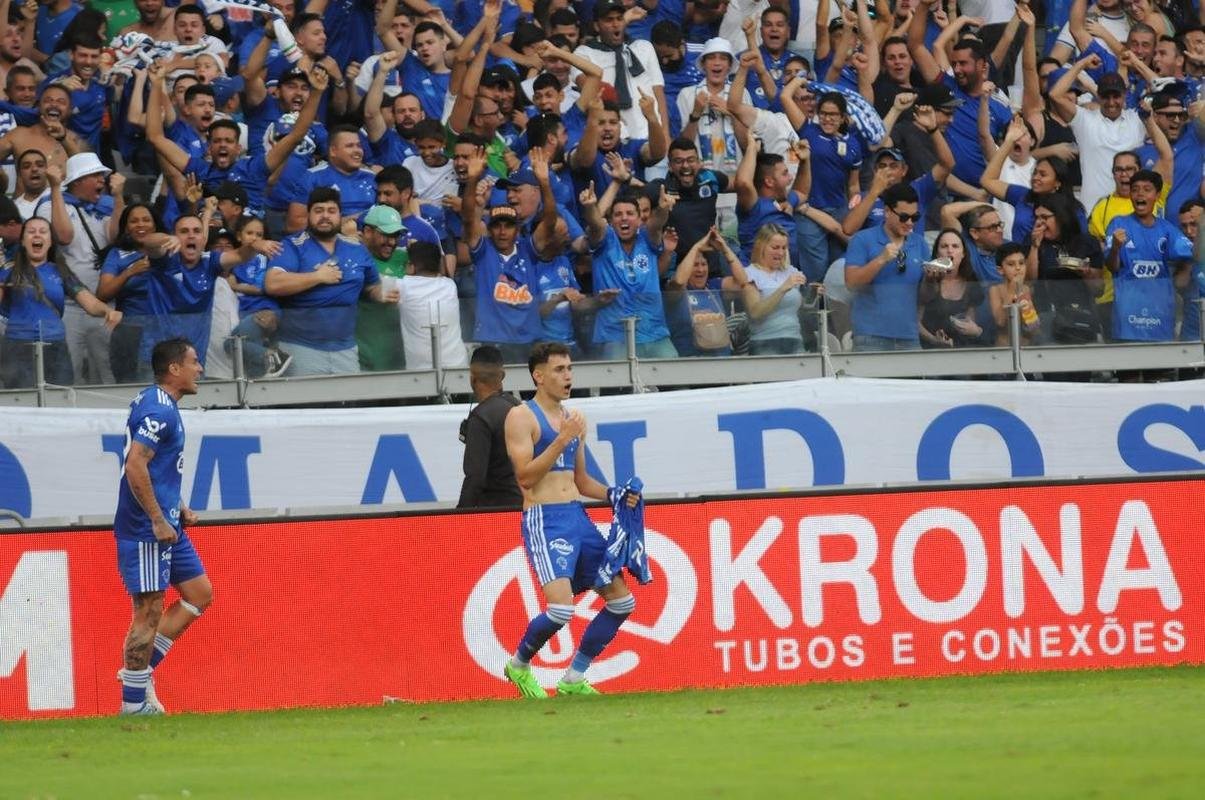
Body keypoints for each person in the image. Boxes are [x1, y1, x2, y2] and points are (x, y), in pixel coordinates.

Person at [502, 341, 641, 698]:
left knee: (622, 601)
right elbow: (526, 478)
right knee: (562, 609)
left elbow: (580, 481)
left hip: (577, 517)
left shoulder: (573, 420)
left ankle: (573, 678)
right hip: (545, 520)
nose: (568, 376)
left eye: (570, 369)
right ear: (539, 375)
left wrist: (613, 494)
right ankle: (518, 665)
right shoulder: (521, 416)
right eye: (559, 370)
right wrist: (561, 439)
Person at [113, 337, 211, 716]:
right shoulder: (160, 410)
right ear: (175, 369)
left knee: (199, 593)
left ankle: (142, 672)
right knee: (149, 610)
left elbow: (157, 467)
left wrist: (178, 505)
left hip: (168, 521)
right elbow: (135, 464)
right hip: (146, 528)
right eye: (193, 361)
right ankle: (133, 705)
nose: (199, 368)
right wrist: (156, 516)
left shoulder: (159, 403)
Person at [265, 187, 400, 376]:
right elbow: (273, 283)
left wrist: (380, 293)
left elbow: (371, 287)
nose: (325, 216)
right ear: (308, 215)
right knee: (305, 405)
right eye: (318, 211)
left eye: (331, 211)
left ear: (340, 215)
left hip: (347, 349)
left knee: (349, 405)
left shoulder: (357, 249)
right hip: (301, 348)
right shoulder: (293, 245)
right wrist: (317, 277)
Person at [0, 216, 121, 388]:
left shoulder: (61, 271)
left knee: (60, 401)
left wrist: (107, 311)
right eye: (31, 232)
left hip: (55, 346)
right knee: (23, 403)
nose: (37, 235)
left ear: (50, 241)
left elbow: (91, 304)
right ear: (22, 241)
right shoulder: (7, 271)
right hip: (18, 347)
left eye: (43, 232)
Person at [1106, 169, 1194, 342]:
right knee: (1128, 367)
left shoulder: (1167, 230)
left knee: (1159, 368)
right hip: (1127, 314)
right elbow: (1112, 267)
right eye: (1135, 189)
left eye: (1147, 189)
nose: (1140, 194)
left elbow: (1190, 253)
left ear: (1157, 195)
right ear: (1130, 195)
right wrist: (1116, 247)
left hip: (1159, 313)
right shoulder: (1119, 224)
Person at [457, 345, 522, 509]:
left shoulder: (480, 418)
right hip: (526, 506)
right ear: (503, 375)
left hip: (496, 511)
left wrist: (459, 516)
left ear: (472, 378)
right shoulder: (519, 407)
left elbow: (475, 477)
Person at [918, 229, 985, 349]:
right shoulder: (928, 279)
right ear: (937, 254)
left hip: (961, 352)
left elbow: (971, 323)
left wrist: (976, 330)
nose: (950, 250)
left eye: (955, 246)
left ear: (963, 253)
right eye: (944, 246)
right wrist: (934, 340)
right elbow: (915, 323)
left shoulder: (971, 282)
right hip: (929, 352)